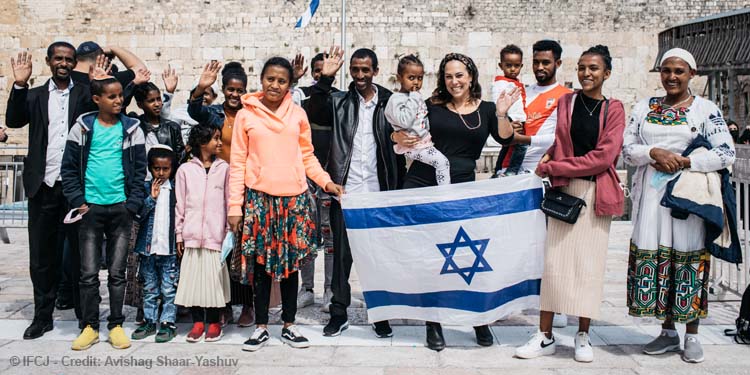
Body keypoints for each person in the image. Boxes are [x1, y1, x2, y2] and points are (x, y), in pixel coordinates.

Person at [393, 52, 516, 351]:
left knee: (467, 256)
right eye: (448, 76)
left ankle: (479, 319)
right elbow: (403, 129)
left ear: (471, 76)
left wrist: (501, 113)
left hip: (461, 187)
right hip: (423, 182)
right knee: (429, 257)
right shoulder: (431, 106)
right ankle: (433, 324)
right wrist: (397, 134)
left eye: (459, 75)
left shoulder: (487, 109)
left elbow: (506, 139)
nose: (454, 81)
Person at [623, 48, 735, 364]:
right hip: (652, 198)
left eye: (679, 71)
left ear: (691, 75)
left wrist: (687, 161)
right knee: (657, 255)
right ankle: (668, 332)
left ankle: (693, 335)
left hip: (688, 196)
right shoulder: (645, 107)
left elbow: (726, 153)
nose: (672, 76)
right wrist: (654, 153)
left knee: (687, 256)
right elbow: (627, 149)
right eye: (666, 70)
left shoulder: (705, 109)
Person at [515, 45, 626, 363]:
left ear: (606, 73)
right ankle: (545, 334)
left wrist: (555, 166)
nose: (586, 73)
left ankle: (582, 334)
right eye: (581, 68)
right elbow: (557, 139)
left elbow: (603, 158)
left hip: (595, 192)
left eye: (593, 68)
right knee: (554, 265)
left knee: (587, 266)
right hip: (564, 192)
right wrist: (549, 156)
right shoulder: (566, 102)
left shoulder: (614, 109)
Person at [227, 57, 344, 351]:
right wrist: (234, 207)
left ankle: (290, 325)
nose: (275, 85)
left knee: (291, 267)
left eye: (281, 81)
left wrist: (326, 181)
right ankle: (262, 326)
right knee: (262, 267)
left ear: (289, 84)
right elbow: (238, 162)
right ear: (261, 79)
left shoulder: (297, 114)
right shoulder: (246, 115)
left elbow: (307, 156)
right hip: (259, 201)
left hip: (293, 200)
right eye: (270, 79)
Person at [307, 47, 406, 339]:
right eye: (355, 70)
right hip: (346, 193)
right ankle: (339, 314)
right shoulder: (337, 101)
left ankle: (380, 315)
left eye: (365, 70)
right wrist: (325, 79)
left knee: (378, 258)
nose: (360, 76)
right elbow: (314, 110)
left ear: (375, 71)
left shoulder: (389, 101)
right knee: (340, 259)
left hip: (379, 193)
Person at [5, 43, 96, 340]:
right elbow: (14, 121)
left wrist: (101, 81)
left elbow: (105, 108)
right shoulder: (34, 95)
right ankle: (42, 316)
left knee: (82, 257)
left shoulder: (83, 95)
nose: (64, 63)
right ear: (48, 61)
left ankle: (87, 318)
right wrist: (19, 84)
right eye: (58, 58)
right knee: (42, 257)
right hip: (42, 187)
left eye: (69, 59)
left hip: (73, 189)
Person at [61, 75, 147, 350]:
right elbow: (69, 169)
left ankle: (116, 324)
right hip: (90, 210)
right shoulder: (83, 128)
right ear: (97, 99)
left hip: (121, 209)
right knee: (87, 273)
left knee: (117, 272)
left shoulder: (133, 128)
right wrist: (78, 200)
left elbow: (140, 170)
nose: (119, 100)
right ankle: (89, 326)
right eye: (112, 96)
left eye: (120, 95)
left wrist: (132, 204)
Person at [188, 61, 254, 325]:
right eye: (230, 89)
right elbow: (194, 111)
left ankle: (248, 305)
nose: (235, 95)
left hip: (247, 186)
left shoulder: (252, 112)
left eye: (240, 90)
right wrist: (200, 88)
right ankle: (224, 304)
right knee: (222, 248)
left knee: (246, 248)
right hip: (217, 187)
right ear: (224, 89)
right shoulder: (214, 114)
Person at [174, 124, 232, 343]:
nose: (219, 143)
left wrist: (228, 231)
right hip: (191, 236)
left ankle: (215, 322)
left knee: (213, 283)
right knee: (194, 283)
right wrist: (180, 234)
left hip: (215, 236)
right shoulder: (185, 170)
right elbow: (180, 204)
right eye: (215, 139)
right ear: (201, 143)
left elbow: (229, 202)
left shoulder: (224, 168)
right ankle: (198, 322)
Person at [292, 53, 339, 311]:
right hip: (303, 176)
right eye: (319, 70)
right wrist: (292, 81)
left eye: (328, 69)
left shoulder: (340, 98)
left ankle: (330, 290)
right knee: (306, 236)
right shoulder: (302, 95)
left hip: (330, 177)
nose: (323, 74)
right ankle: (306, 288)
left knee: (330, 235)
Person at [130, 145, 180, 343]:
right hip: (148, 249)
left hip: (168, 250)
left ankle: (168, 323)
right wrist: (151, 198)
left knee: (169, 289)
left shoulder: (176, 190)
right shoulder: (144, 189)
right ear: (150, 168)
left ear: (172, 169)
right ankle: (149, 320)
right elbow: (138, 216)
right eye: (156, 169)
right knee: (150, 288)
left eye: (165, 169)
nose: (160, 173)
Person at [385, 54, 451, 185]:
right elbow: (404, 121)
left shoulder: (416, 96)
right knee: (442, 163)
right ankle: (446, 193)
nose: (416, 82)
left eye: (419, 78)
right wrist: (414, 97)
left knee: (439, 164)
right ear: (399, 78)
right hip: (413, 146)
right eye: (411, 78)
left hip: (423, 143)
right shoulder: (395, 99)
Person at [491, 44, 529, 176]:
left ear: (521, 66)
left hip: (517, 117)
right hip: (512, 118)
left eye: (516, 65)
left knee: (508, 147)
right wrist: (507, 121)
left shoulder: (514, 82)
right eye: (508, 65)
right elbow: (498, 103)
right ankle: (511, 171)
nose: (513, 69)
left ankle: (498, 170)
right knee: (521, 145)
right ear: (501, 66)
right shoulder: (501, 83)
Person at [133, 82, 186, 158]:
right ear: (140, 105)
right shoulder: (137, 127)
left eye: (158, 99)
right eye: (151, 101)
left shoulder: (172, 127)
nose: (157, 104)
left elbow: (179, 157)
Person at [71, 42, 146, 87]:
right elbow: (141, 71)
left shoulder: (64, 79)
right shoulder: (109, 80)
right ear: (102, 58)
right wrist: (113, 48)